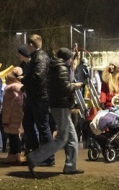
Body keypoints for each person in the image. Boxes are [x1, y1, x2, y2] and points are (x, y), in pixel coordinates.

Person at [26, 48, 84, 177]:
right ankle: (34, 158)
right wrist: (76, 85)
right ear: (67, 58)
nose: (72, 60)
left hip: (58, 105)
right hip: (61, 106)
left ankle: (71, 166)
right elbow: (64, 88)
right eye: (71, 58)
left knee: (72, 137)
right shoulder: (61, 68)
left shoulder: (55, 67)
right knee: (62, 139)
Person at [22, 34, 52, 154]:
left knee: (43, 126)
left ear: (31, 45)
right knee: (28, 123)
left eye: (27, 45)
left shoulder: (40, 57)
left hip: (39, 97)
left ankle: (48, 157)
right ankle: (37, 152)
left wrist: (23, 80)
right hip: (35, 96)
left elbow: (38, 77)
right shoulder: (38, 56)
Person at [1, 67, 26, 164]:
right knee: (16, 136)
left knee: (12, 137)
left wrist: (5, 120)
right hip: (19, 116)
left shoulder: (10, 91)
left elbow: (7, 108)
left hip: (11, 118)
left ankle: (12, 155)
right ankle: (17, 154)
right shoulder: (21, 89)